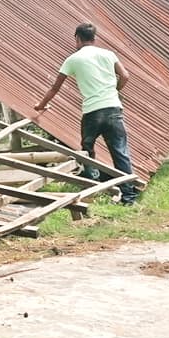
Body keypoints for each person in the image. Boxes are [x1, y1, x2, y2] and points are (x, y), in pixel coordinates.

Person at [34, 22, 138, 205]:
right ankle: (129, 197)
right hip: (114, 109)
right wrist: (115, 90)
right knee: (120, 152)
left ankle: (93, 184)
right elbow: (125, 76)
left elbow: (55, 87)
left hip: (92, 112)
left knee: (87, 150)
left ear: (77, 38)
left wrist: (41, 105)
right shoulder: (108, 54)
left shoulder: (73, 59)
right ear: (94, 38)